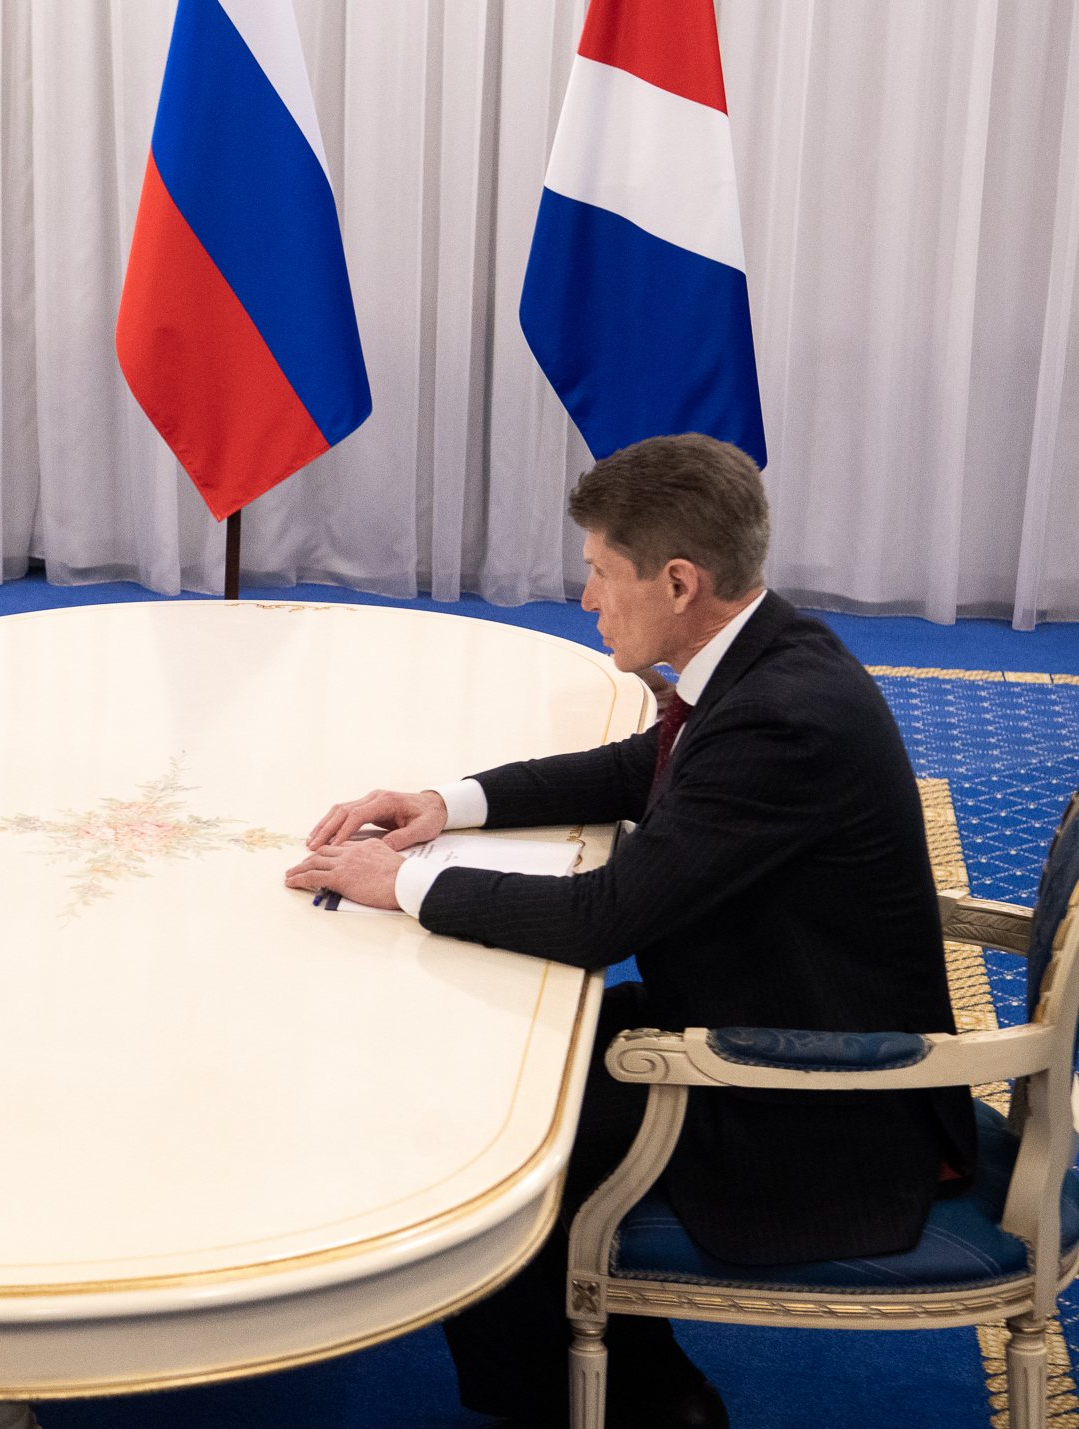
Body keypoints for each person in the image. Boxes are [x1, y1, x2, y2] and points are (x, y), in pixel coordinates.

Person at [284, 433, 972, 1429]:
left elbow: (603, 919)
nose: (586, 598)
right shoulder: (772, 649)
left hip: (813, 1094)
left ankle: (643, 1407)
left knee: (485, 1156)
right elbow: (636, 770)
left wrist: (402, 881)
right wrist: (445, 802)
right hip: (757, 1004)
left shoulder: (782, 717)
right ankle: (618, 1385)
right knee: (496, 1069)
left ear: (680, 581)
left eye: (602, 572)